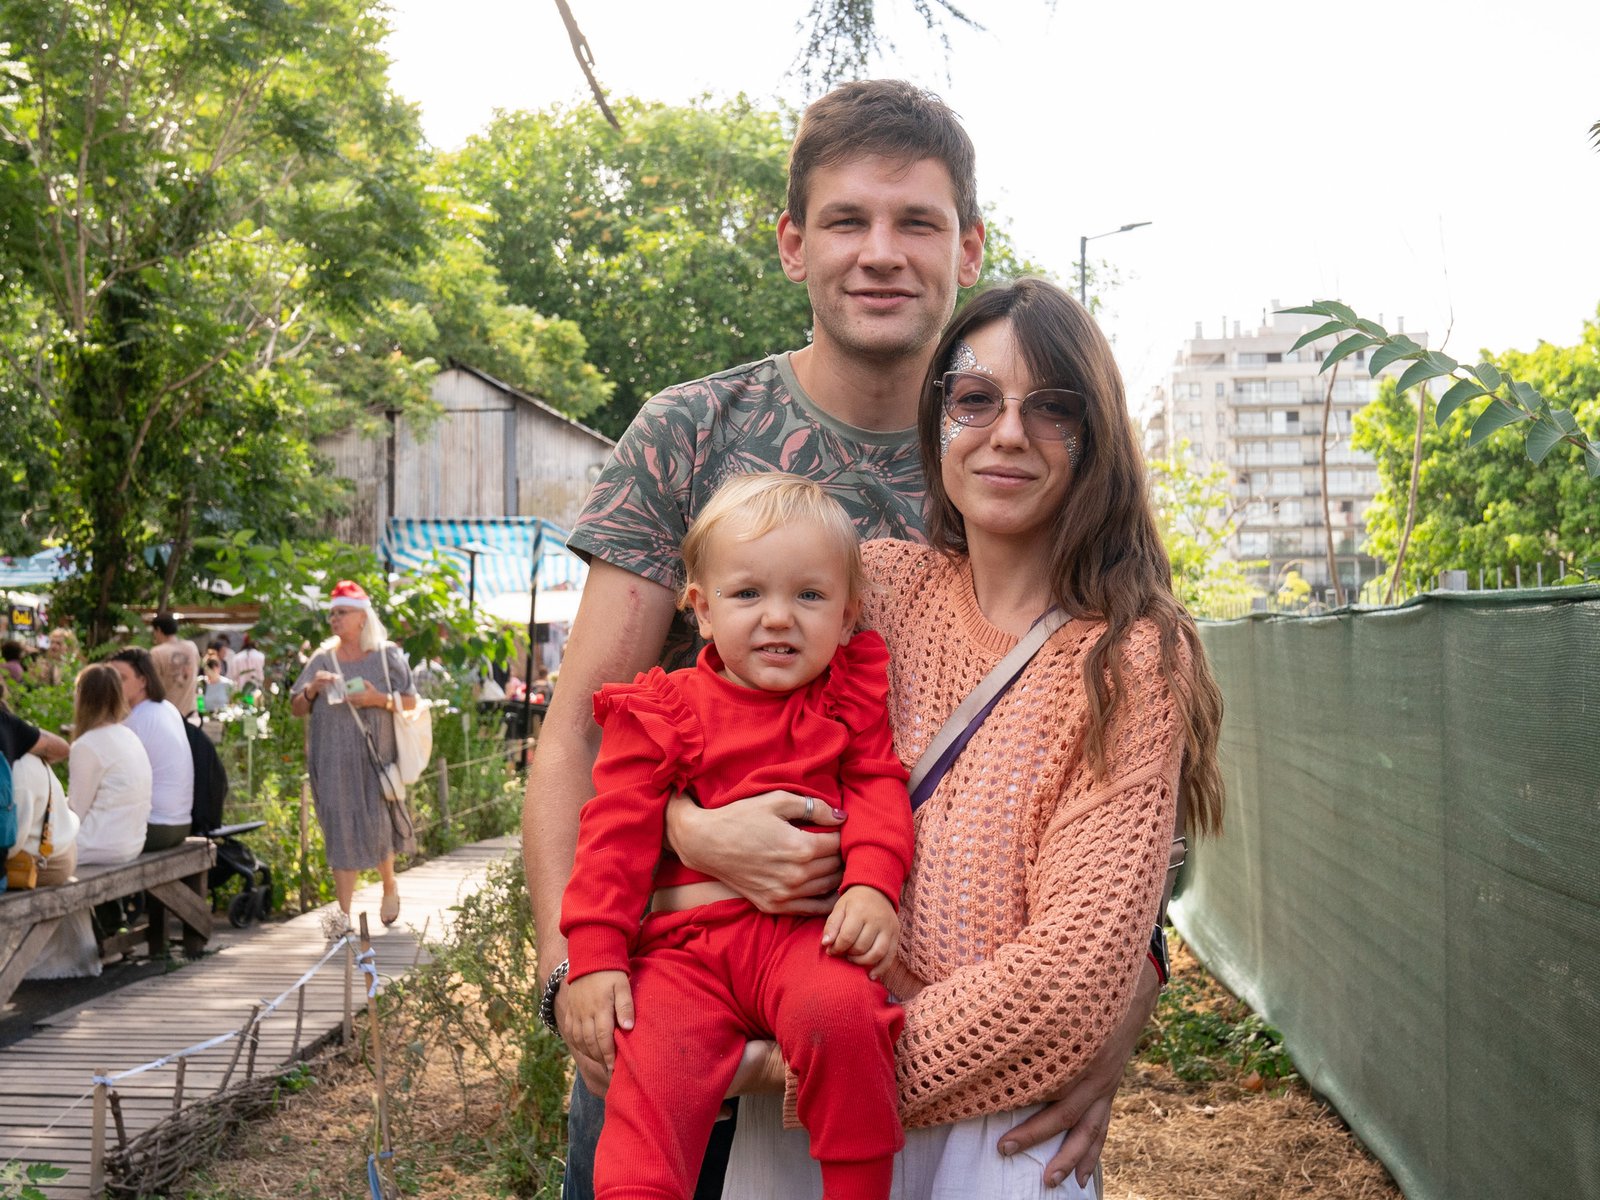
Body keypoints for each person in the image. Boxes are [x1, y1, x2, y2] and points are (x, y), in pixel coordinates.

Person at [529, 79, 1164, 1200]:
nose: (882, 253)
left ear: (966, 246)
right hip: (671, 988)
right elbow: (583, 729)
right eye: (846, 221)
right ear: (791, 243)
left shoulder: (1015, 458)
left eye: (916, 222)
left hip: (881, 1017)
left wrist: (1113, 1001)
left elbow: (1110, 752)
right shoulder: (693, 435)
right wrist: (578, 964)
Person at [713, 279, 1226, 1197]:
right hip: (807, 1069)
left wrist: (792, 1066)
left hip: (984, 1121)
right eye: (976, 398)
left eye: (1052, 407)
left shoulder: (1131, 660)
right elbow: (707, 735)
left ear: (1095, 436)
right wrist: (688, 830)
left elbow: (1067, 984)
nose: (1009, 432)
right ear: (939, 417)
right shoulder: (875, 585)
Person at [562, 474, 913, 1200]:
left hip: (802, 941)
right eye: (748, 594)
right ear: (703, 609)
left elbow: (879, 789)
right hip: (684, 953)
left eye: (809, 597)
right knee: (651, 1066)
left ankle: (859, 1187)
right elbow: (613, 836)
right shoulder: (664, 710)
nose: (778, 618)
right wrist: (594, 957)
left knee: (845, 1018)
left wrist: (874, 884)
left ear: (848, 617)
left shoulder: (847, 699)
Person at [289, 580, 418, 938]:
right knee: (339, 829)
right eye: (331, 613)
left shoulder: (386, 654)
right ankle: (343, 914)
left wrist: (378, 699)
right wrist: (313, 689)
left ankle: (388, 884)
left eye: (341, 612)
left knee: (377, 824)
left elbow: (410, 701)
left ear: (362, 617)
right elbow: (296, 707)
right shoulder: (322, 659)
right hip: (331, 759)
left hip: (374, 757)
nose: (334, 619)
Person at [108, 647, 194, 850]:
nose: (113, 685)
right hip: (180, 824)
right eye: (110, 677)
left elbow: (112, 780)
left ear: (143, 681)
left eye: (121, 678)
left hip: (154, 827)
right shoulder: (167, 708)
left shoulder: (138, 720)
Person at [67, 664, 153, 867]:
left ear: (82, 696)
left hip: (95, 847)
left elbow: (75, 813)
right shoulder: (129, 736)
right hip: (132, 844)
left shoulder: (87, 745)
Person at [149, 613, 200, 720]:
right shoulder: (191, 647)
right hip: (191, 715)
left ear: (158, 630)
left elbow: (152, 687)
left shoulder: (157, 653)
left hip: (169, 716)